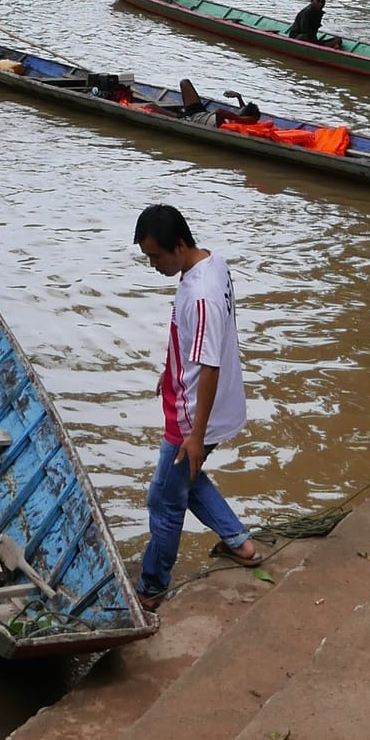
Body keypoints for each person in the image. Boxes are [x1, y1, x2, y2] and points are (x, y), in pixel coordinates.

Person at [131, 202, 264, 613]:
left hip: (194, 414)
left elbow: (209, 364)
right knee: (183, 482)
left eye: (156, 256)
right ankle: (240, 542)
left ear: (180, 245)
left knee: (165, 499)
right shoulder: (211, 265)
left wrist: (196, 436)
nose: (153, 265)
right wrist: (167, 370)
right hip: (195, 401)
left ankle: (152, 588)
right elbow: (192, 343)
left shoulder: (201, 294)